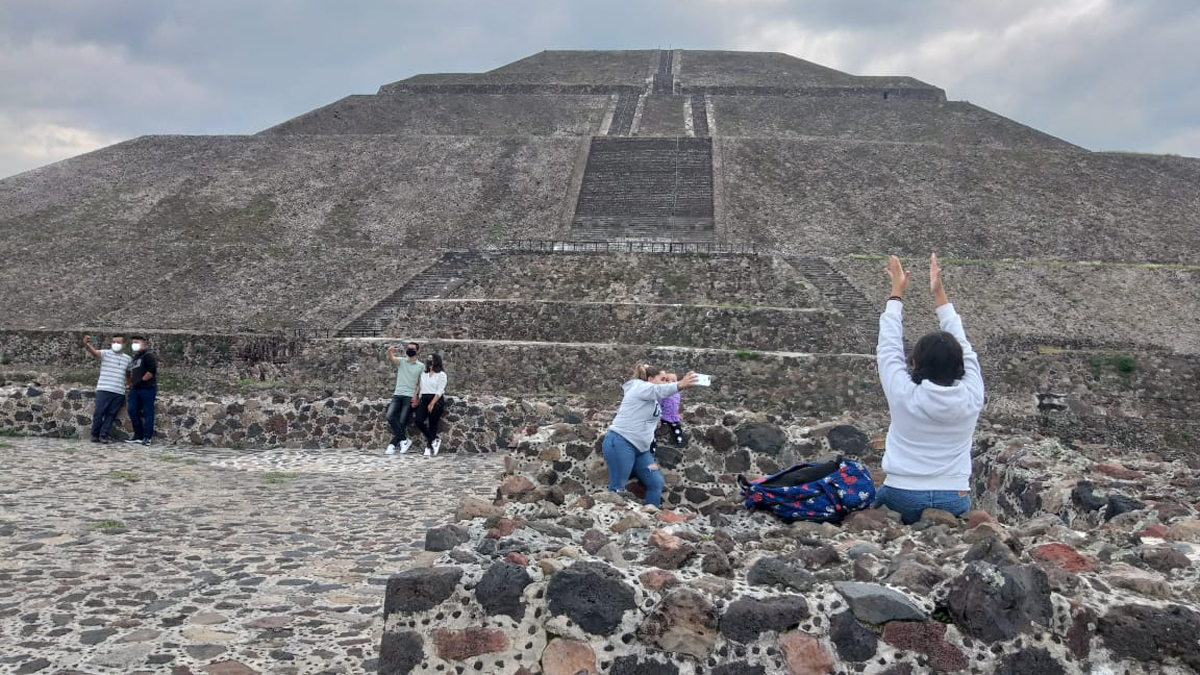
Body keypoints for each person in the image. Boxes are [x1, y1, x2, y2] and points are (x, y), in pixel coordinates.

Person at [874, 253, 985, 524]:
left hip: (903, 494)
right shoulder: (973, 394)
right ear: (960, 364)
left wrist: (896, 294)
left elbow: (888, 347)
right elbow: (965, 348)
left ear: (913, 363)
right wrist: (940, 296)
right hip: (954, 495)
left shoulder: (904, 394)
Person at [604, 364, 698, 507]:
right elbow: (659, 390)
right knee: (617, 488)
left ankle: (651, 514)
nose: (666, 383)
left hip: (642, 451)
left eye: (668, 380)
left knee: (656, 482)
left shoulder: (651, 396)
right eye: (663, 379)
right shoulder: (639, 387)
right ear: (650, 379)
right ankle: (613, 522)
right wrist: (680, 384)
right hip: (621, 443)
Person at [82, 334, 131, 444]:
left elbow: (128, 373)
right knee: (99, 413)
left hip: (119, 391)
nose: (116, 344)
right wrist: (88, 345)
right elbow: (94, 353)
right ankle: (95, 434)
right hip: (104, 389)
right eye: (114, 342)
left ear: (124, 344)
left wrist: (129, 384)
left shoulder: (127, 359)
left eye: (119, 342)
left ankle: (103, 435)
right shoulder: (105, 353)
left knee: (111, 415)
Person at [384, 341, 425, 455]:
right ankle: (404, 440)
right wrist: (389, 351)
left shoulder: (421, 366)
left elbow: (420, 383)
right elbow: (391, 358)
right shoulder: (401, 361)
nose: (410, 350)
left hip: (409, 396)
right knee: (390, 416)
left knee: (402, 421)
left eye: (412, 348)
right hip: (397, 394)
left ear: (417, 351)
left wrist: (416, 396)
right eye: (409, 348)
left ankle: (392, 444)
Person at [124, 335, 158, 446]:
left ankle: (147, 437)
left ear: (143, 344)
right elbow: (128, 371)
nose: (134, 344)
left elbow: (152, 371)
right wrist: (129, 383)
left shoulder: (148, 356)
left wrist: (140, 381)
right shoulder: (134, 358)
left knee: (148, 412)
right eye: (133, 342)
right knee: (132, 410)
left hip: (147, 389)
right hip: (135, 390)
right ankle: (138, 435)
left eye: (137, 342)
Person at [413, 353, 447, 456]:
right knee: (418, 420)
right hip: (424, 399)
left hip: (436, 400)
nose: (429, 361)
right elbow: (421, 387)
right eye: (428, 359)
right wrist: (416, 397)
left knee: (433, 423)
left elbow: (440, 389)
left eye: (431, 359)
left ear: (436, 361)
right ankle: (433, 441)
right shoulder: (424, 374)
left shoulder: (441, 374)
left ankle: (429, 447)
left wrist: (432, 403)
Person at [659, 371, 687, 446]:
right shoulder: (662, 393)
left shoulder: (677, 394)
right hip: (663, 416)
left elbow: (676, 405)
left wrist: (677, 413)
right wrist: (658, 419)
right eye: (667, 380)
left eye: (673, 381)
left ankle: (680, 441)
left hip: (673, 416)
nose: (670, 382)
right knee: (657, 429)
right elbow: (658, 405)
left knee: (677, 427)